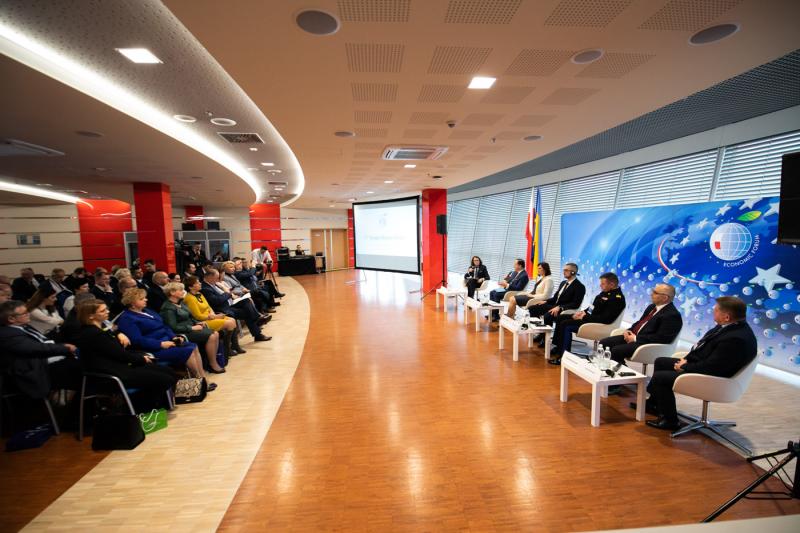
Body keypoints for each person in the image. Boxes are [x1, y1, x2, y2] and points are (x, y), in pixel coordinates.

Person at [645, 296, 756, 431]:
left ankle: (670, 421)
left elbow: (714, 367)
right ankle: (655, 404)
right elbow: (704, 348)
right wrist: (686, 360)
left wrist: (685, 366)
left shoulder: (735, 339)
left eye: (716, 310)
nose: (713, 311)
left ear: (727, 317)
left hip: (715, 379)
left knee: (661, 378)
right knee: (661, 362)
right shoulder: (729, 327)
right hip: (706, 366)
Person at [76, 299, 177, 410]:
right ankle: (140, 410)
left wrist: (141, 356)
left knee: (169, 372)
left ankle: (155, 406)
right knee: (164, 379)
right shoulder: (93, 334)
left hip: (119, 366)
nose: (108, 311)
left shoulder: (101, 329)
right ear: (91, 316)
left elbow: (118, 352)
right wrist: (141, 359)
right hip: (110, 374)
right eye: (102, 311)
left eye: (106, 309)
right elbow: (119, 354)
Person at [115, 288, 215, 390]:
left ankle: (202, 378)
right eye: (141, 299)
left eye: (145, 297)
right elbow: (138, 340)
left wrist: (174, 336)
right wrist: (160, 344)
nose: (146, 300)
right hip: (153, 349)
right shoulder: (127, 319)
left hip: (168, 341)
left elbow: (164, 326)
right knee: (188, 350)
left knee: (193, 346)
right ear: (132, 303)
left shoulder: (148, 311)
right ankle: (200, 382)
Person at [0, 300, 82, 400]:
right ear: (11, 319)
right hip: (33, 368)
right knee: (79, 366)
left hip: (42, 359)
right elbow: (35, 348)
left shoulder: (23, 326)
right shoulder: (7, 334)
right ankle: (73, 401)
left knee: (82, 360)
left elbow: (42, 343)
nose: (28, 314)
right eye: (24, 313)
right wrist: (65, 347)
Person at [547, 272, 626, 365]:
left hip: (598, 324)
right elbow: (592, 307)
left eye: (603, 284)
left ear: (612, 284)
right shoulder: (606, 292)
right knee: (561, 317)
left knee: (566, 324)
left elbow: (605, 319)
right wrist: (581, 313)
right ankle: (559, 347)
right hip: (590, 318)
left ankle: (563, 357)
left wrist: (584, 317)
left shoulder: (617, 298)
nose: (600, 285)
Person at [600, 283, 683, 367]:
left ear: (665, 298)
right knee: (604, 343)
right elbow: (640, 323)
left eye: (655, 292)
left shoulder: (672, 315)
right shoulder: (652, 307)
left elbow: (662, 338)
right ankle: (614, 368)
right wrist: (628, 330)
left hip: (646, 344)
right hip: (635, 336)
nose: (651, 294)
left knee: (616, 350)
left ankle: (620, 371)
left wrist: (635, 338)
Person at [161, 282, 225, 373]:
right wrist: (192, 328)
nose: (183, 292)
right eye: (180, 290)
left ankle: (212, 362)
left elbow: (190, 317)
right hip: (182, 332)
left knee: (215, 333)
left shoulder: (181, 302)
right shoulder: (167, 308)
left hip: (191, 327)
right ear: (172, 292)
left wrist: (198, 323)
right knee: (211, 336)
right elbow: (173, 327)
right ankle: (213, 364)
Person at [201, 269, 270, 342]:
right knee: (248, 313)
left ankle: (258, 319)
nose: (218, 279)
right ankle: (258, 327)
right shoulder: (205, 288)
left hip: (230, 303)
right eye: (216, 277)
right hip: (223, 309)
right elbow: (216, 301)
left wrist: (227, 292)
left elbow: (226, 293)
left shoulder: (214, 284)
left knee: (246, 301)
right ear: (210, 277)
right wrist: (228, 294)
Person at [183, 275, 240, 356]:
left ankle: (234, 346)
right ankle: (227, 349)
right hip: (203, 321)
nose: (200, 283)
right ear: (190, 287)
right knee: (229, 323)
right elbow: (197, 316)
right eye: (197, 283)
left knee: (232, 319)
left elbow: (208, 306)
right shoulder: (189, 298)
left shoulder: (199, 293)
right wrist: (214, 317)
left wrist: (213, 314)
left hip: (211, 316)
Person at [529, 263, 586, 332]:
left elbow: (575, 304)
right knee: (533, 308)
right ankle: (537, 331)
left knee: (547, 316)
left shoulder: (580, 286)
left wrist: (560, 307)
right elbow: (555, 298)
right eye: (563, 270)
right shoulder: (563, 283)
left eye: (566, 270)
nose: (563, 272)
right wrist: (546, 301)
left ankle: (544, 336)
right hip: (555, 306)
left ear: (573, 272)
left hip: (564, 309)